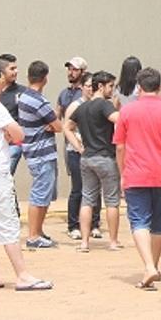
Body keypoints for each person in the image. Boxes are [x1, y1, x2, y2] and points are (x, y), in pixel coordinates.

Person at [113, 67, 161, 290]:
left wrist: (122, 173)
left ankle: (149, 266)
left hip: (135, 173)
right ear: (159, 86)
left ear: (139, 86)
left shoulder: (127, 111)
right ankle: (153, 265)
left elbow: (120, 147)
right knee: (160, 224)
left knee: (139, 221)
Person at [0, 64, 52, 291]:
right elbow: (19, 134)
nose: (3, 85)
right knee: (8, 223)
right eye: (0, 81)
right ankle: (22, 275)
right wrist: (7, 134)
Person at [67, 70, 122, 252]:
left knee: (87, 199)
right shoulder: (105, 105)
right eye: (110, 86)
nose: (112, 90)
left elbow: (67, 127)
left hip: (87, 157)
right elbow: (119, 120)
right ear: (101, 86)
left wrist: (79, 147)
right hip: (105, 157)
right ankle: (113, 241)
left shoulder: (82, 107)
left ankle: (84, 242)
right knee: (112, 201)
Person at [19, 60, 61, 249]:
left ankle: (38, 231)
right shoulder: (39, 101)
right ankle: (33, 236)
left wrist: (50, 124)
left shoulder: (24, 96)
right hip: (41, 154)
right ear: (45, 79)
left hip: (34, 152)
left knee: (44, 195)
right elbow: (58, 126)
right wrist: (51, 124)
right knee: (39, 195)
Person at [56, 56, 93, 241]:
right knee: (77, 186)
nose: (71, 72)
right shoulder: (64, 94)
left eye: (75, 69)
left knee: (92, 187)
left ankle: (93, 223)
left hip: (90, 145)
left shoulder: (88, 94)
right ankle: (73, 224)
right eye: (69, 69)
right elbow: (57, 116)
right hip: (72, 146)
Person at [0, 54, 28, 175]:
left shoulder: (22, 92)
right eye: (12, 69)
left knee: (4, 176)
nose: (16, 71)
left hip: (12, 144)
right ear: (1, 71)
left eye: (16, 68)